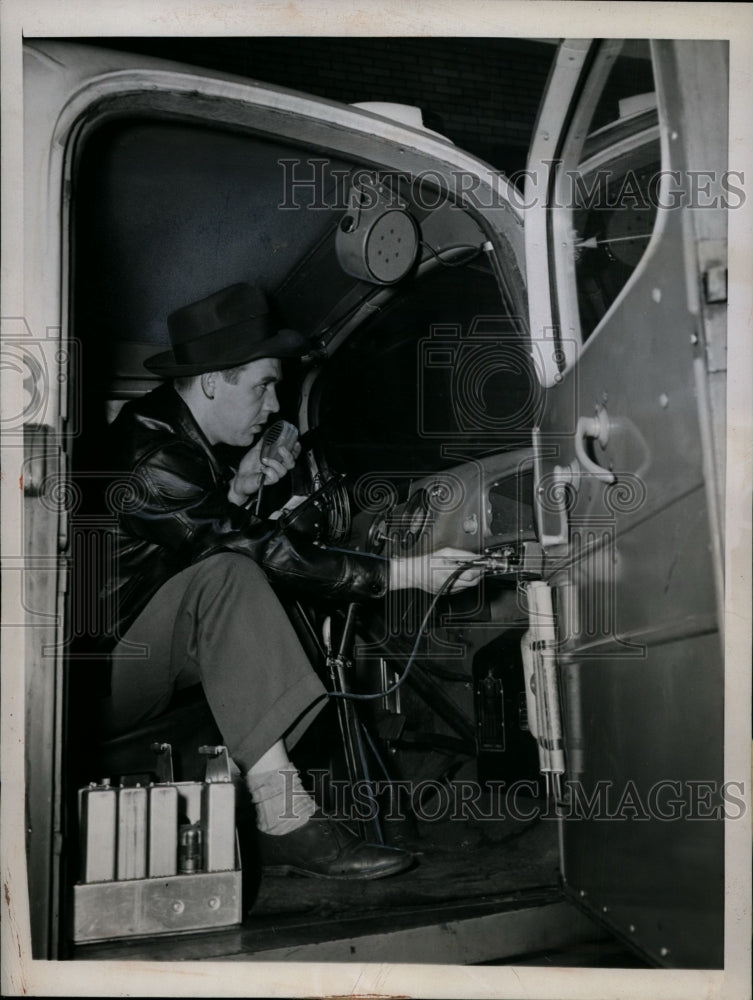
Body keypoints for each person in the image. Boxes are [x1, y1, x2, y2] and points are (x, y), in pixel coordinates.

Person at [99, 282, 481, 881]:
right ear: (211, 380)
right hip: (99, 677)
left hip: (140, 642)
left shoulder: (167, 436)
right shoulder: (151, 455)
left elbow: (181, 537)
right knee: (232, 577)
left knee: (257, 589)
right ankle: (285, 820)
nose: (274, 405)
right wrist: (403, 573)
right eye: (263, 384)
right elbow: (230, 552)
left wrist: (238, 488)